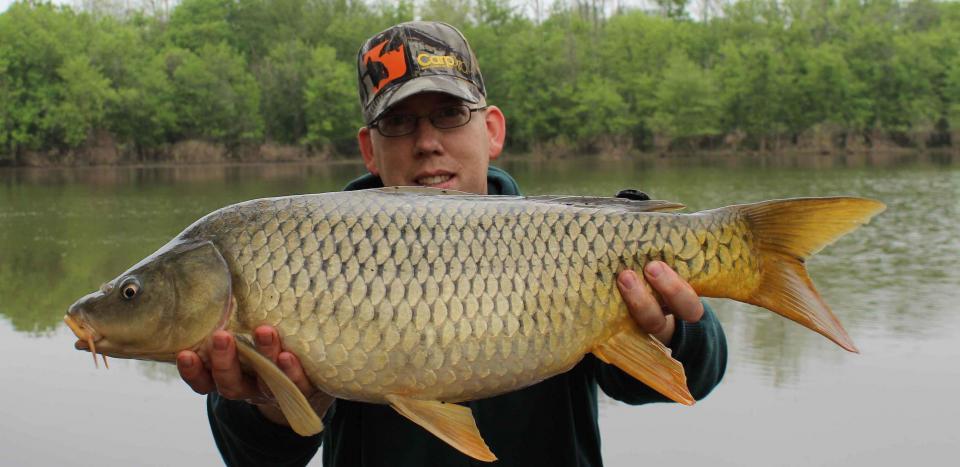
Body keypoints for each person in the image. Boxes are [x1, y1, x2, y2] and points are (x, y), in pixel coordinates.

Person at [176, 21, 727, 466]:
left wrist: (677, 329)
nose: (428, 142)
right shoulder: (303, 251)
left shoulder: (567, 242)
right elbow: (253, 459)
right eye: (399, 122)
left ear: (491, 129)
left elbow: (689, 377)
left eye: (448, 114)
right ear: (369, 149)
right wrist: (278, 405)